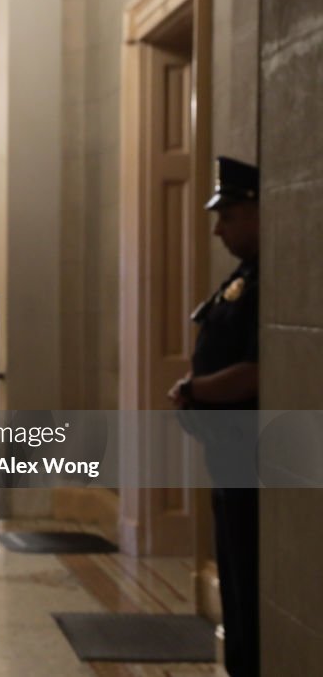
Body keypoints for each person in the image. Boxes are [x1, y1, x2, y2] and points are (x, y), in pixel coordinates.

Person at [168, 156, 260, 677]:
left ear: (255, 209)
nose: (218, 229)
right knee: (235, 572)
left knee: (249, 575)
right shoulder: (241, 277)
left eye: (227, 216)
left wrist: (194, 388)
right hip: (228, 451)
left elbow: (258, 369)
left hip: (253, 451)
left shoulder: (266, 281)